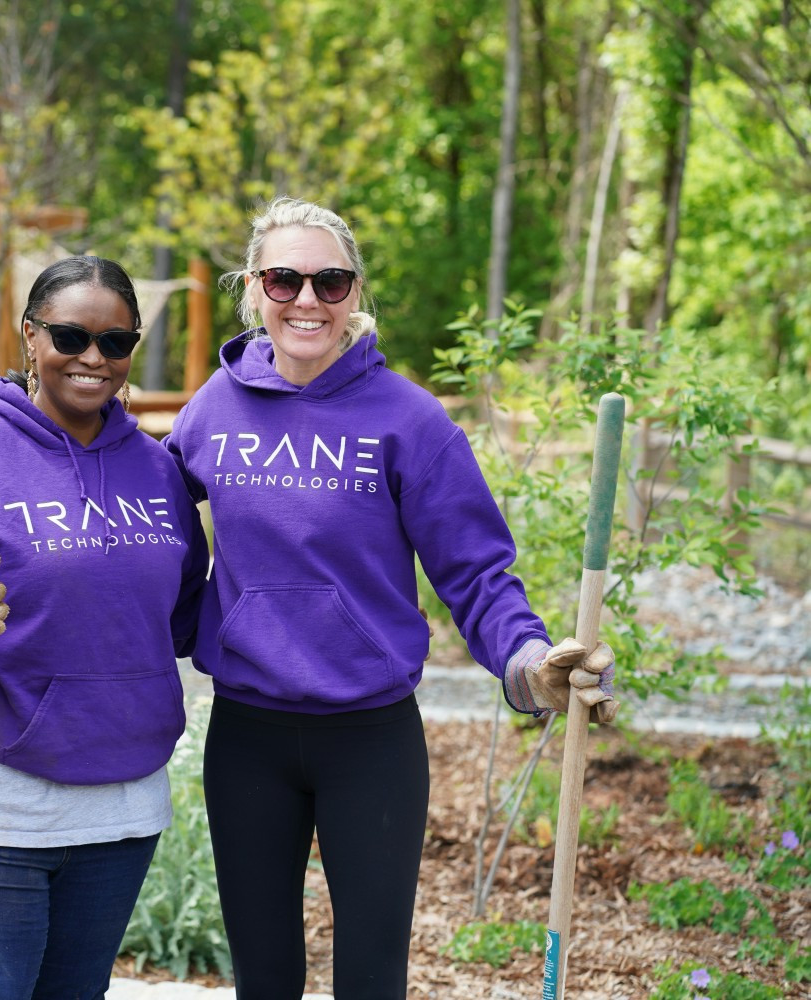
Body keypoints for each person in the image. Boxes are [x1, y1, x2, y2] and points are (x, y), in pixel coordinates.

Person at [163, 197, 618, 1000]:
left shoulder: (408, 420)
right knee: (262, 979)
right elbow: (149, 527)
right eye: (285, 279)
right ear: (254, 291)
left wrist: (528, 662)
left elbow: (476, 573)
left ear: (355, 294)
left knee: (372, 982)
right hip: (247, 737)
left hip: (369, 740)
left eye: (330, 281)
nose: (307, 299)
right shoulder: (214, 408)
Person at [0, 255, 208, 1000]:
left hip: (118, 810)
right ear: (29, 336)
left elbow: (182, 618)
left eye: (116, 343)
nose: (94, 358)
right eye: (71, 336)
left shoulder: (156, 470)